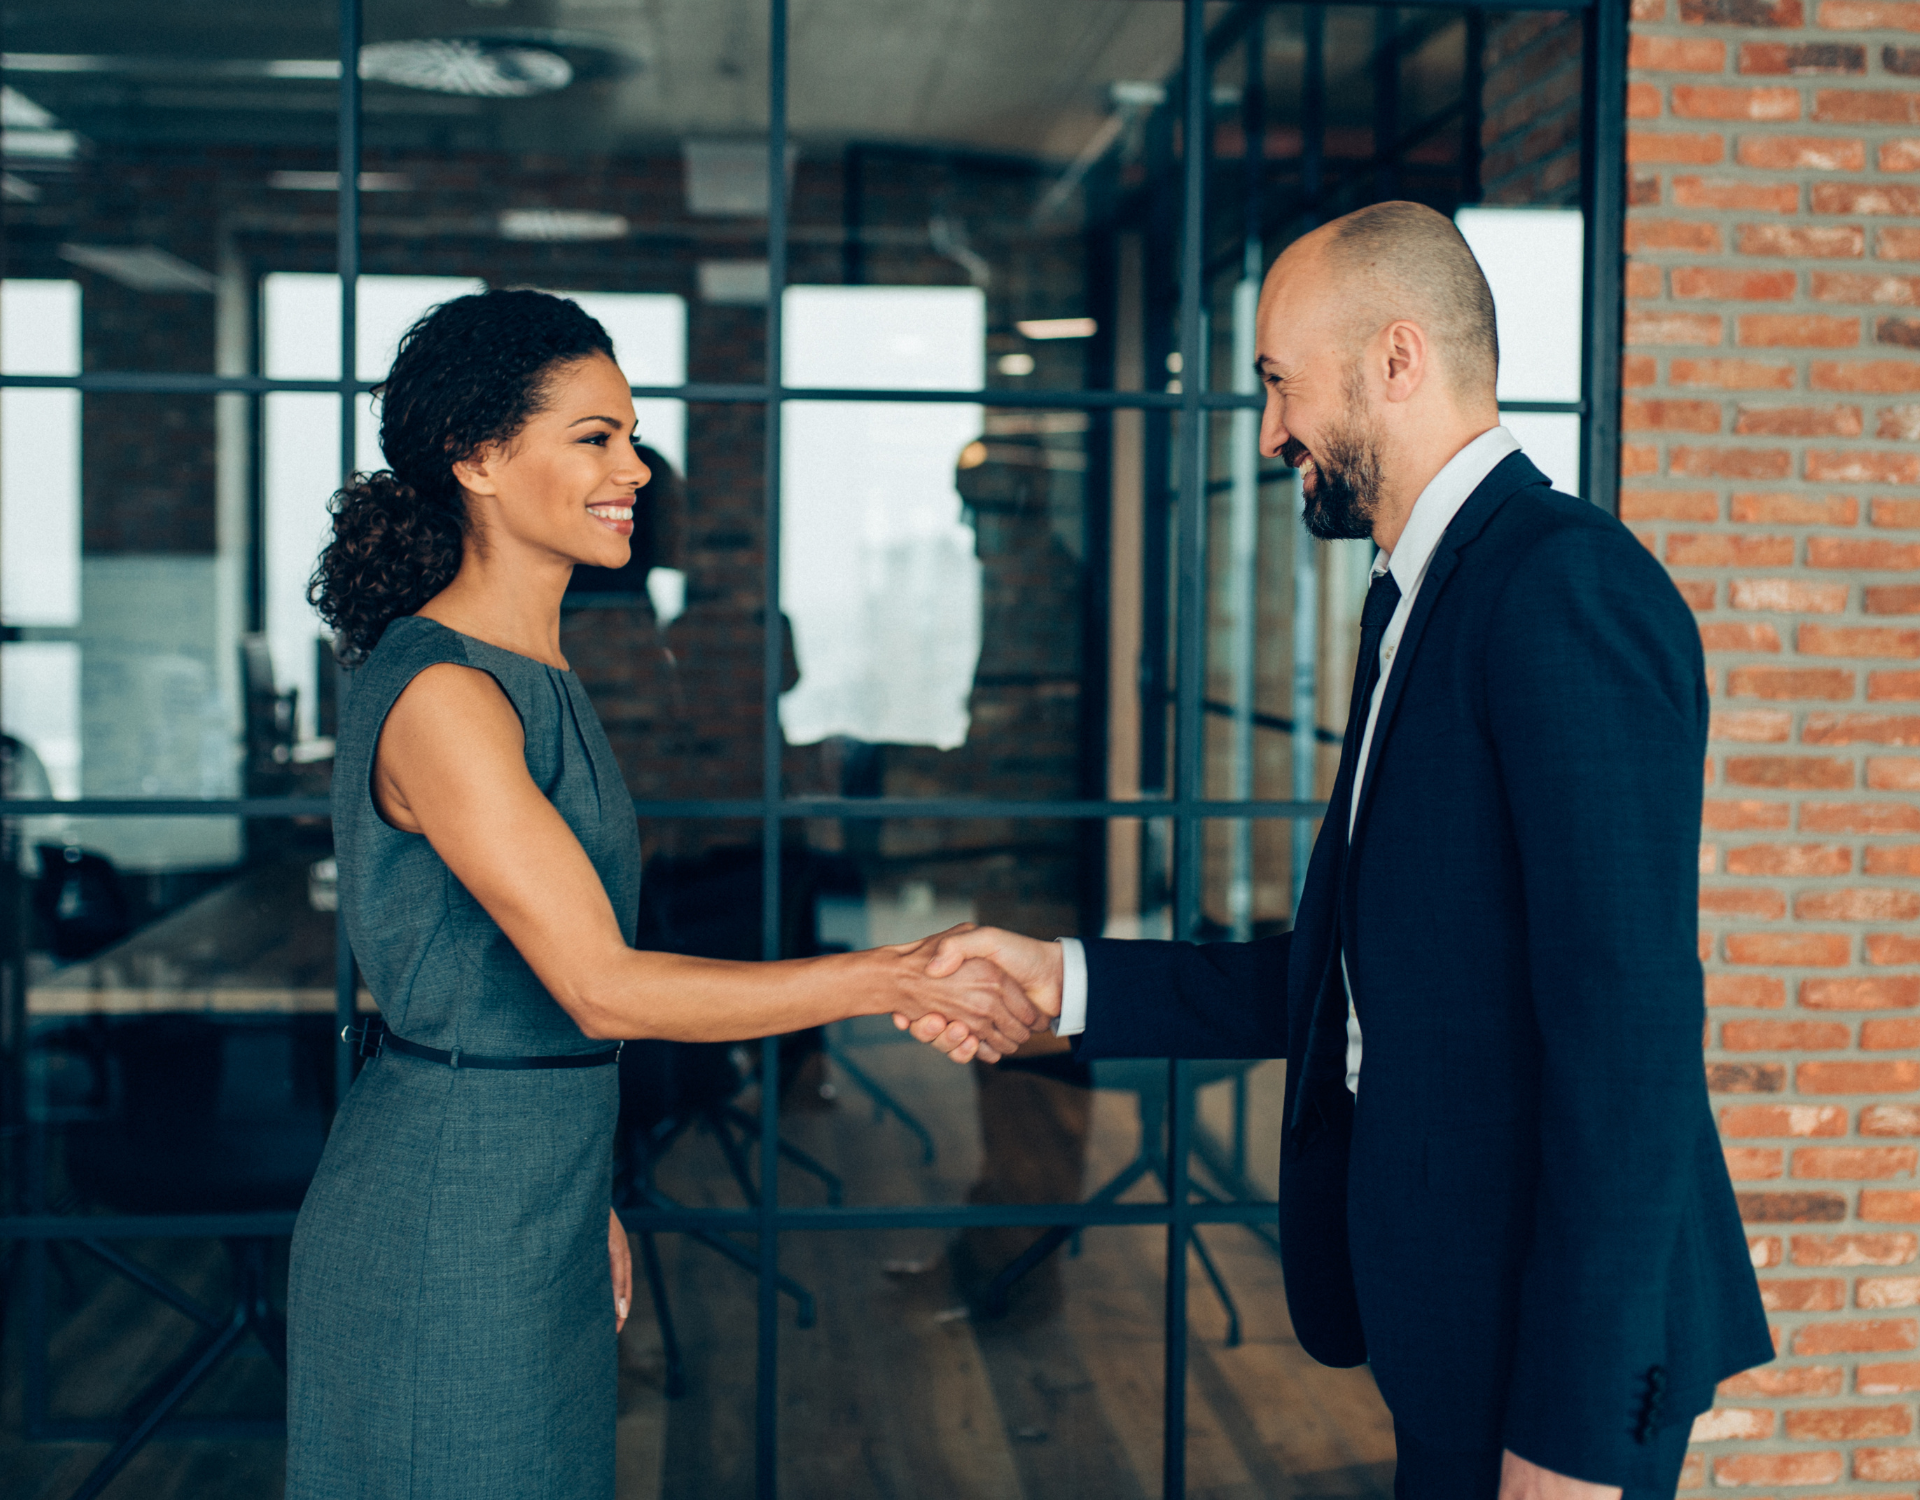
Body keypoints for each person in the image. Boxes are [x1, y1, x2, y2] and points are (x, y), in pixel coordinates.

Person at [909, 203, 1771, 1500]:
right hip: (1450, 1315)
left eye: (1276, 383)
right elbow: (1370, 977)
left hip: (1553, 1363)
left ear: (1397, 360)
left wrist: (1575, 1436)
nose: (1269, 433)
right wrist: (1069, 987)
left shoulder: (1563, 591)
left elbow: (1630, 1043)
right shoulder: (1412, 597)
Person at [284, 288, 1037, 1500]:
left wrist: (587, 1190)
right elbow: (597, 986)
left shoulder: (537, 674)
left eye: (628, 434)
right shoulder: (446, 698)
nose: (634, 467)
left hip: (534, 1192)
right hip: (445, 1218)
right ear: (478, 458)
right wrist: (889, 973)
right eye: (594, 437)